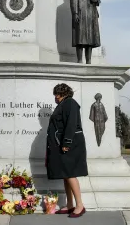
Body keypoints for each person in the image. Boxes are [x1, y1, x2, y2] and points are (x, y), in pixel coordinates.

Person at [46, 83, 88, 218]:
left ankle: (80, 205)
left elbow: (71, 123)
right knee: (65, 174)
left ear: (62, 93)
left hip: (70, 144)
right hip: (62, 144)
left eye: (56, 94)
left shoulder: (70, 103)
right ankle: (70, 204)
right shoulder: (63, 104)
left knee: (70, 173)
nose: (55, 97)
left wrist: (67, 143)